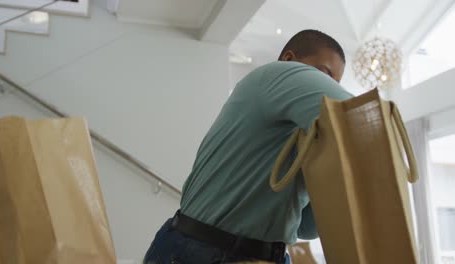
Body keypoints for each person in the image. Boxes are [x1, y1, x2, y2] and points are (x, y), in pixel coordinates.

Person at [143, 29, 353, 264]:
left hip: (261, 253)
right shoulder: (274, 75)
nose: (327, 86)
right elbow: (357, 115)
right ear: (289, 60)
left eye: (336, 82)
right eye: (324, 75)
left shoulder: (297, 136)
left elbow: (306, 227)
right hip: (206, 249)